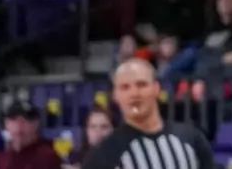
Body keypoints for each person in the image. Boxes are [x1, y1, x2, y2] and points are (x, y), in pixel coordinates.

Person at [81, 59, 215, 169]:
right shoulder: (102, 154)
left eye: (141, 85)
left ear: (156, 88)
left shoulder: (191, 139)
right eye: (125, 87)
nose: (134, 94)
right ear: (116, 95)